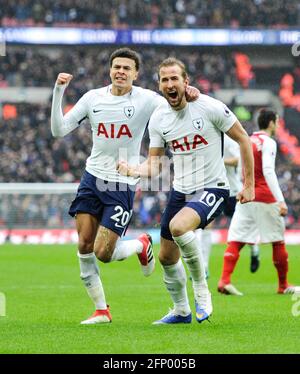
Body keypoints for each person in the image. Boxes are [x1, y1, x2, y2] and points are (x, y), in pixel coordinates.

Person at [51, 48, 199, 325]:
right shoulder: (92, 98)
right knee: (84, 244)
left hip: (121, 182)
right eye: (116, 67)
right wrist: (59, 91)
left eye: (126, 68)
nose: (120, 71)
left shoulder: (146, 99)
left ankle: (141, 245)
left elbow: (176, 102)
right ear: (110, 69)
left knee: (103, 253)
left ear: (135, 74)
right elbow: (59, 130)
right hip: (92, 177)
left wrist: (193, 94)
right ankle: (101, 310)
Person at [118, 57, 254, 324]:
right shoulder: (158, 118)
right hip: (180, 191)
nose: (170, 84)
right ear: (159, 85)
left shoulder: (209, 106)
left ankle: (201, 289)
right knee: (167, 257)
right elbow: (154, 165)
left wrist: (249, 184)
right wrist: (133, 170)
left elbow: (244, 139)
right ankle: (181, 310)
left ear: (185, 82)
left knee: (180, 227)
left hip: (213, 187)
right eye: (165, 80)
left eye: (174, 79)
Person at [218, 109, 299, 295]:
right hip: (265, 196)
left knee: (236, 240)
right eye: (277, 121)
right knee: (278, 241)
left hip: (246, 195)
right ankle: (283, 285)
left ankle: (224, 280)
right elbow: (268, 171)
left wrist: (244, 188)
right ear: (271, 123)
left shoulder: (247, 140)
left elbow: (241, 166)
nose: (277, 125)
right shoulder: (268, 142)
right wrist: (281, 200)